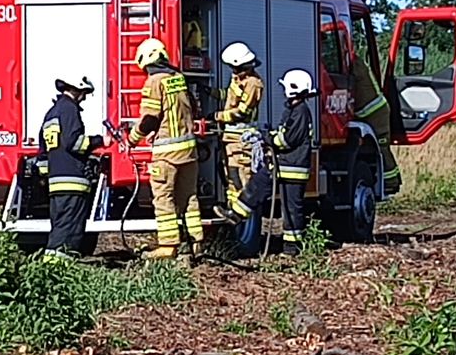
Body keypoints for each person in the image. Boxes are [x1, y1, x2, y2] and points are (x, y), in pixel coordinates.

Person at [215, 69, 315, 255]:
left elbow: (288, 140)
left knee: (292, 210)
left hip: (292, 168)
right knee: (257, 185)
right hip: (281, 165)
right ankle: (236, 215)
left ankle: (292, 248)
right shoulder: (294, 109)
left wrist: (268, 138)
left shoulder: (300, 112)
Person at [126, 38, 202, 259]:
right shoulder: (178, 78)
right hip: (189, 152)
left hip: (167, 154)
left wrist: (133, 137)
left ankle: (168, 246)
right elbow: (191, 108)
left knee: (163, 198)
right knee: (189, 197)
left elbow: (150, 118)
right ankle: (195, 243)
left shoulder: (154, 81)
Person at [38, 74, 104, 258]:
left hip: (56, 184)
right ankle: (57, 272)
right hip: (73, 182)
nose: (83, 97)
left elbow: (43, 152)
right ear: (75, 89)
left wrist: (49, 176)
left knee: (59, 227)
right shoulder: (69, 110)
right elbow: (75, 143)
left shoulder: (52, 113)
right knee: (68, 232)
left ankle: (54, 270)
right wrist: (100, 141)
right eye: (83, 92)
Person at [214, 42, 264, 205]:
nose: (233, 71)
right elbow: (229, 96)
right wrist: (212, 92)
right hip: (231, 139)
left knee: (243, 179)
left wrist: (218, 116)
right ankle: (233, 213)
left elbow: (242, 111)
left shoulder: (253, 83)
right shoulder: (238, 79)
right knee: (232, 177)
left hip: (242, 140)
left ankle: (246, 221)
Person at [351, 54, 401, 194]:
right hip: (373, 111)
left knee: (381, 146)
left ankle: (391, 182)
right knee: (382, 147)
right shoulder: (355, 61)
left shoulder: (353, 63)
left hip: (374, 113)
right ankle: (392, 180)